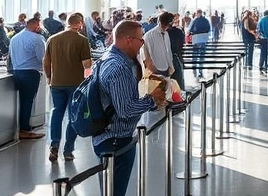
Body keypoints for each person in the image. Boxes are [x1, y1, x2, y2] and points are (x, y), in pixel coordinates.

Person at [94, 20, 168, 196]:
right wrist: (152, 100)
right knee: (114, 191)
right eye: (140, 40)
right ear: (128, 39)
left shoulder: (107, 58)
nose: (142, 44)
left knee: (110, 189)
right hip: (115, 140)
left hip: (109, 136)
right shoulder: (118, 67)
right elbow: (125, 110)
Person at [44, 12, 92, 161]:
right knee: (73, 116)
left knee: (57, 113)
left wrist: (49, 78)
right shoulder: (82, 40)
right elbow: (87, 65)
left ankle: (54, 145)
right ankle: (68, 150)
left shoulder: (52, 39)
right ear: (79, 24)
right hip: (75, 84)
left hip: (56, 83)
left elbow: (46, 62)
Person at [10, 16, 47, 140]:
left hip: (16, 72)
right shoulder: (37, 39)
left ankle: (22, 126)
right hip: (31, 73)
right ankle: (25, 129)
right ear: (36, 25)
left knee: (21, 100)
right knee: (28, 101)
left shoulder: (14, 38)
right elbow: (41, 58)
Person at [142, 12, 175, 80]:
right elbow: (147, 55)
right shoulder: (149, 35)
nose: (167, 27)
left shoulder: (166, 34)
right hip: (155, 68)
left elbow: (168, 51)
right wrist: (152, 69)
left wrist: (170, 65)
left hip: (166, 67)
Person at [187, 10, 211, 78]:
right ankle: (200, 70)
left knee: (195, 55)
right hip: (204, 40)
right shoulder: (206, 21)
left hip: (196, 40)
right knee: (201, 56)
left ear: (197, 13)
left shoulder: (195, 21)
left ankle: (194, 70)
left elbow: (190, 30)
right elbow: (209, 29)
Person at [166, 14, 186, 92]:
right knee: (179, 84)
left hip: (166, 61)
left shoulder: (163, 33)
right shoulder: (179, 32)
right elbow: (181, 45)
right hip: (177, 58)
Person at [257, 10, 268, 75]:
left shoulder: (260, 20)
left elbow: (259, 30)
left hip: (263, 39)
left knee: (263, 53)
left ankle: (262, 66)